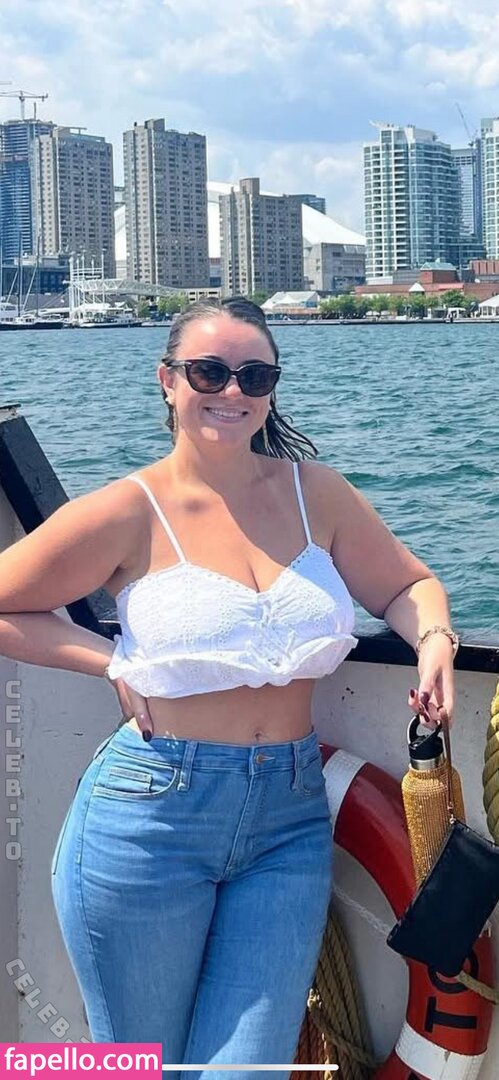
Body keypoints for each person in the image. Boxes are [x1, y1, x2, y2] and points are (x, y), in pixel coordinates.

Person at [0, 297, 458, 1076]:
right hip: (151, 814)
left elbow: (405, 585)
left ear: (272, 387)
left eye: (254, 375)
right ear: (168, 381)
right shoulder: (130, 509)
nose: (232, 390)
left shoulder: (318, 495)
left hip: (288, 816)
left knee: (247, 1068)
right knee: (147, 1064)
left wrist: (434, 642)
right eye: (208, 372)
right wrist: (108, 662)